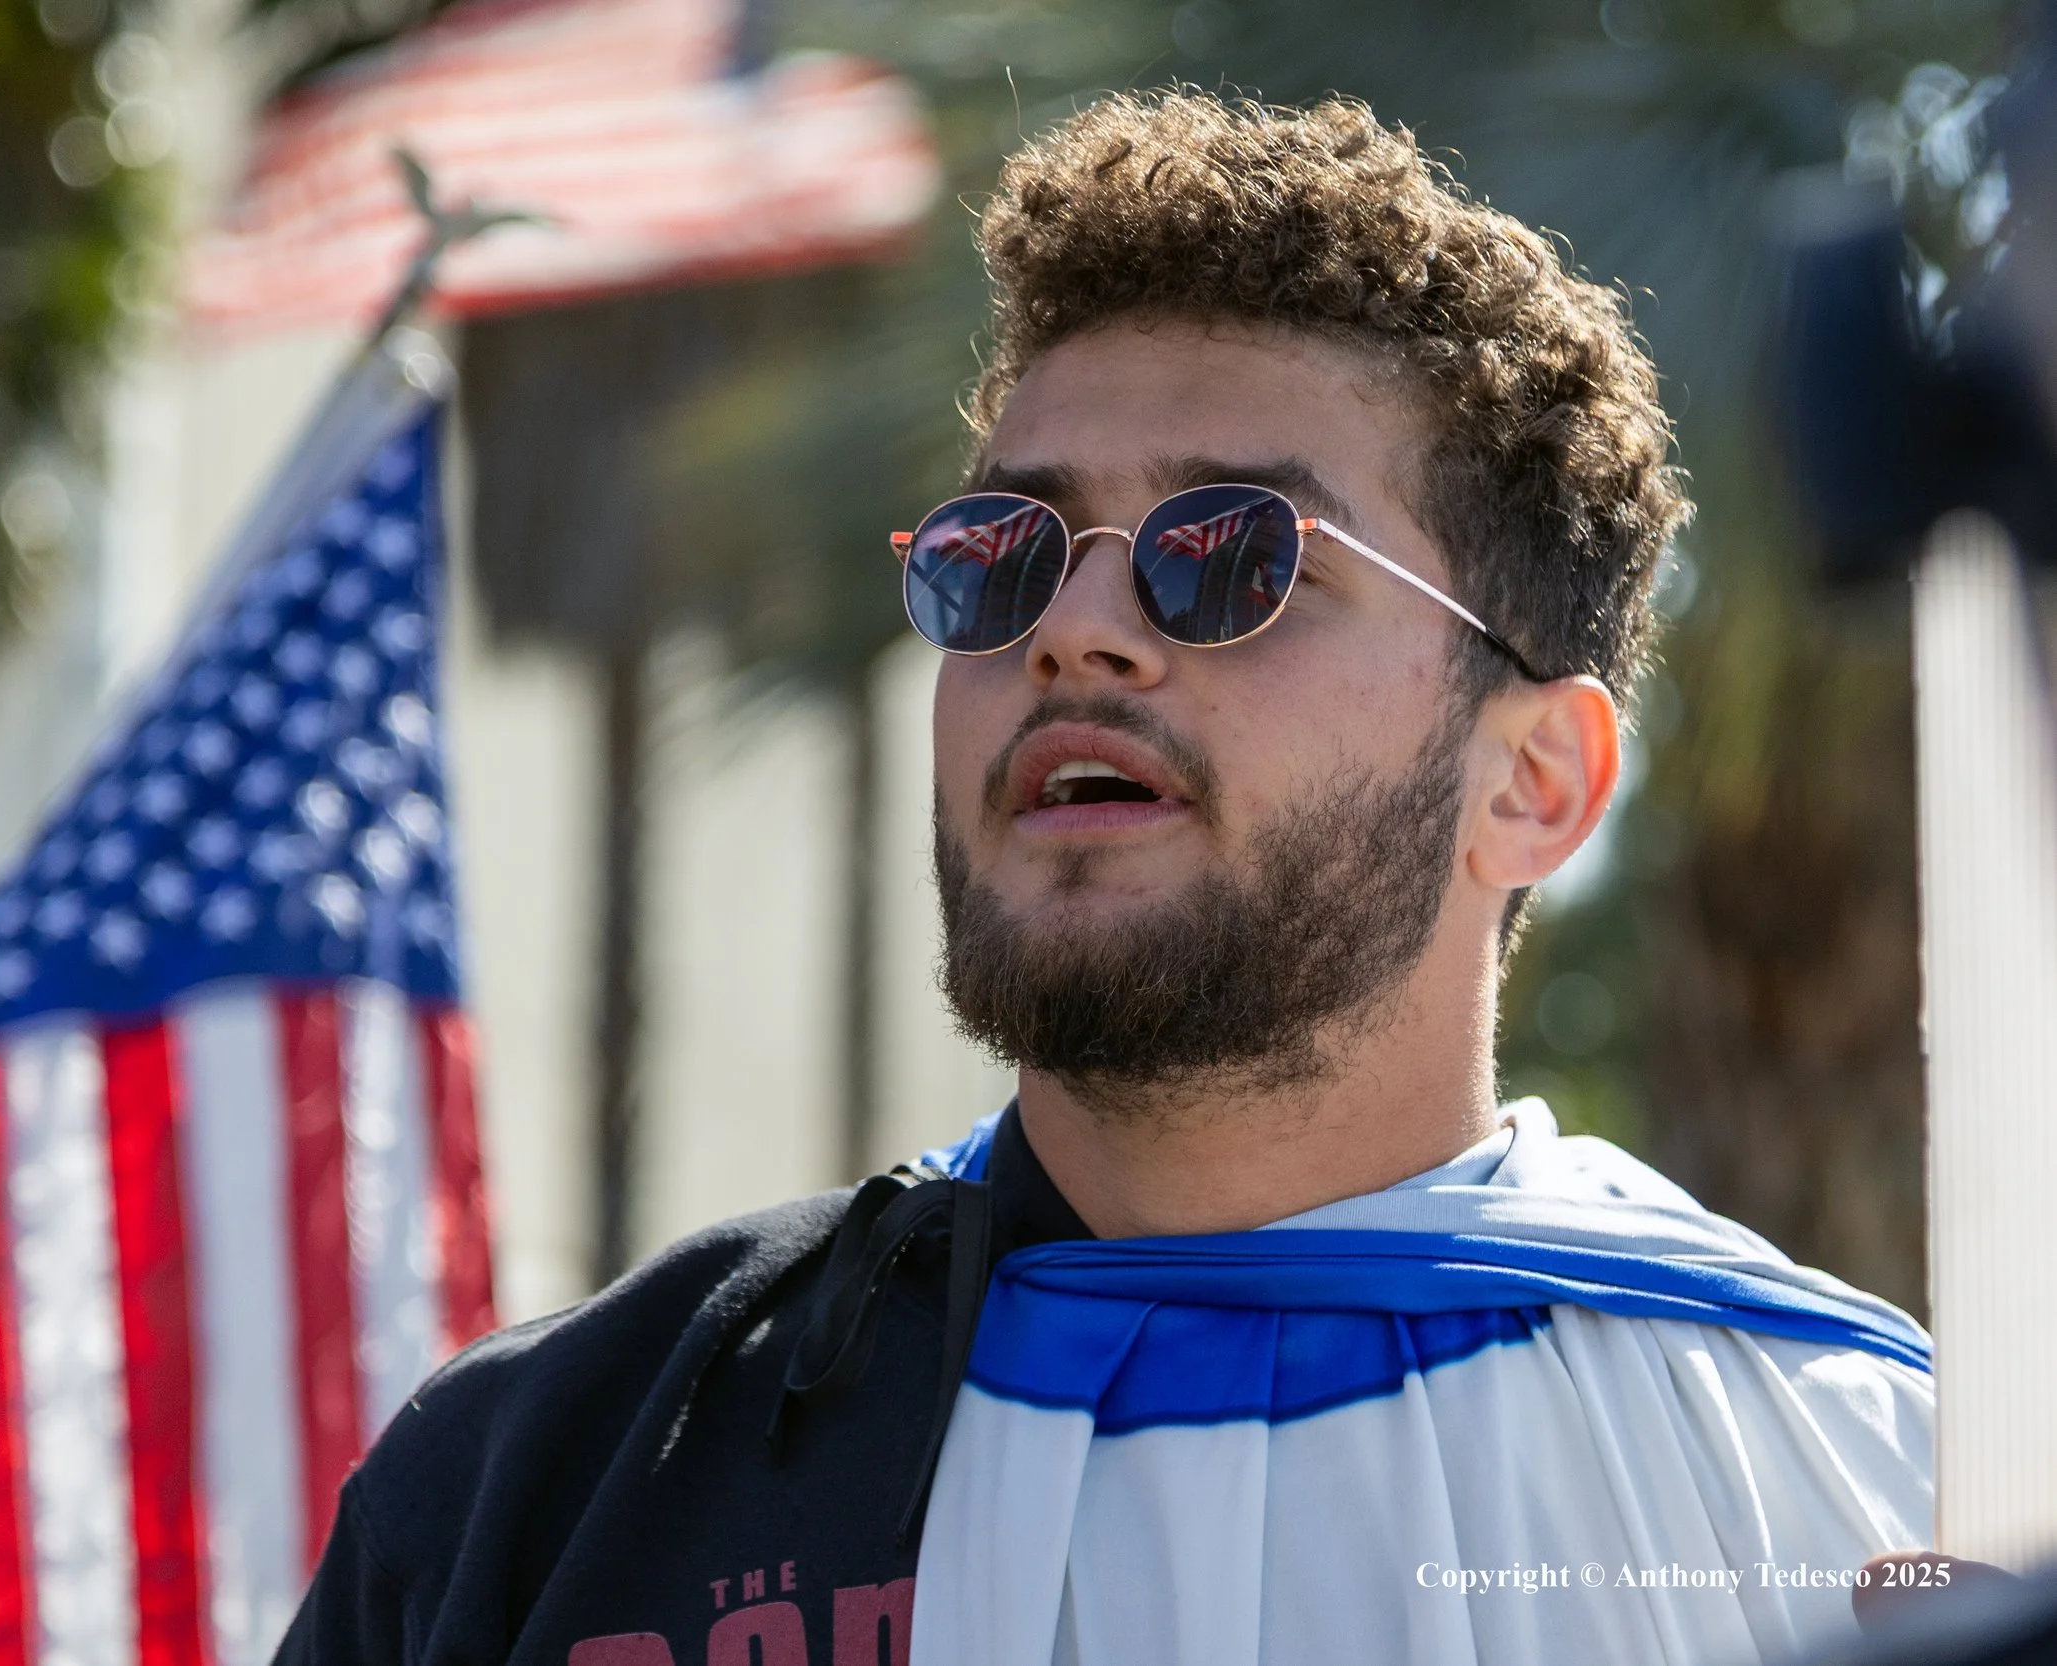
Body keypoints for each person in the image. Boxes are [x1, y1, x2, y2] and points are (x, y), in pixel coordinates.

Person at [275, 93, 1941, 1666]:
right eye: (1000, 558)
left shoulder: (1858, 1490)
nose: (1074, 628)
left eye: (1228, 557)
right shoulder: (541, 1489)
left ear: (1535, 782)